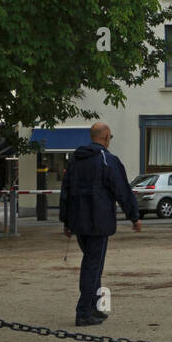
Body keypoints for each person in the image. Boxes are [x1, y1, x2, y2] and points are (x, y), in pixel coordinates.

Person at [59, 122, 141, 327]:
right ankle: (84, 311)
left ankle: (93, 307)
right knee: (92, 266)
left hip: (79, 221)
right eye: (110, 137)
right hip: (99, 220)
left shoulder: (75, 161)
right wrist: (134, 216)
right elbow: (121, 190)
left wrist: (66, 221)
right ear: (105, 137)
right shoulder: (107, 160)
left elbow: (65, 191)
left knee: (92, 264)